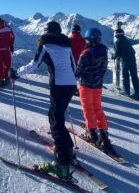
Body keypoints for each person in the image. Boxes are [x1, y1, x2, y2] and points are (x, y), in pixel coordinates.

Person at [10, 21, 76, 181]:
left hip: (58, 85)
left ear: (46, 32)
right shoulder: (67, 46)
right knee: (58, 117)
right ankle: (67, 150)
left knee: (55, 122)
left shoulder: (46, 45)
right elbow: (75, 66)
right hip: (70, 85)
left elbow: (34, 64)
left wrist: (16, 73)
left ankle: (62, 166)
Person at [75, 28, 116, 154]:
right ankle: (104, 134)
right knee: (98, 109)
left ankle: (92, 134)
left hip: (86, 85)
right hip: (98, 85)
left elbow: (79, 71)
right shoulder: (103, 50)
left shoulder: (86, 53)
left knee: (88, 110)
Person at [112, 28, 139, 100]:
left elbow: (117, 53)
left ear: (116, 35)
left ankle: (127, 92)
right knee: (134, 76)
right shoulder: (127, 40)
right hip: (132, 60)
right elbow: (133, 51)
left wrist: (113, 56)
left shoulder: (117, 42)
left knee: (125, 76)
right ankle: (137, 92)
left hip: (125, 61)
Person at [0, 17, 15, 87]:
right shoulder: (8, 27)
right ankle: (7, 78)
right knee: (7, 64)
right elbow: (12, 37)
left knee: (0, 65)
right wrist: (11, 45)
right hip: (7, 49)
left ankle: (1, 80)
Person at [69, 24, 86, 96]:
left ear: (72, 31)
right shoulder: (83, 40)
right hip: (81, 61)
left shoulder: (69, 40)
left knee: (71, 75)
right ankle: (83, 89)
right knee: (81, 76)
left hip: (71, 60)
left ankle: (73, 89)